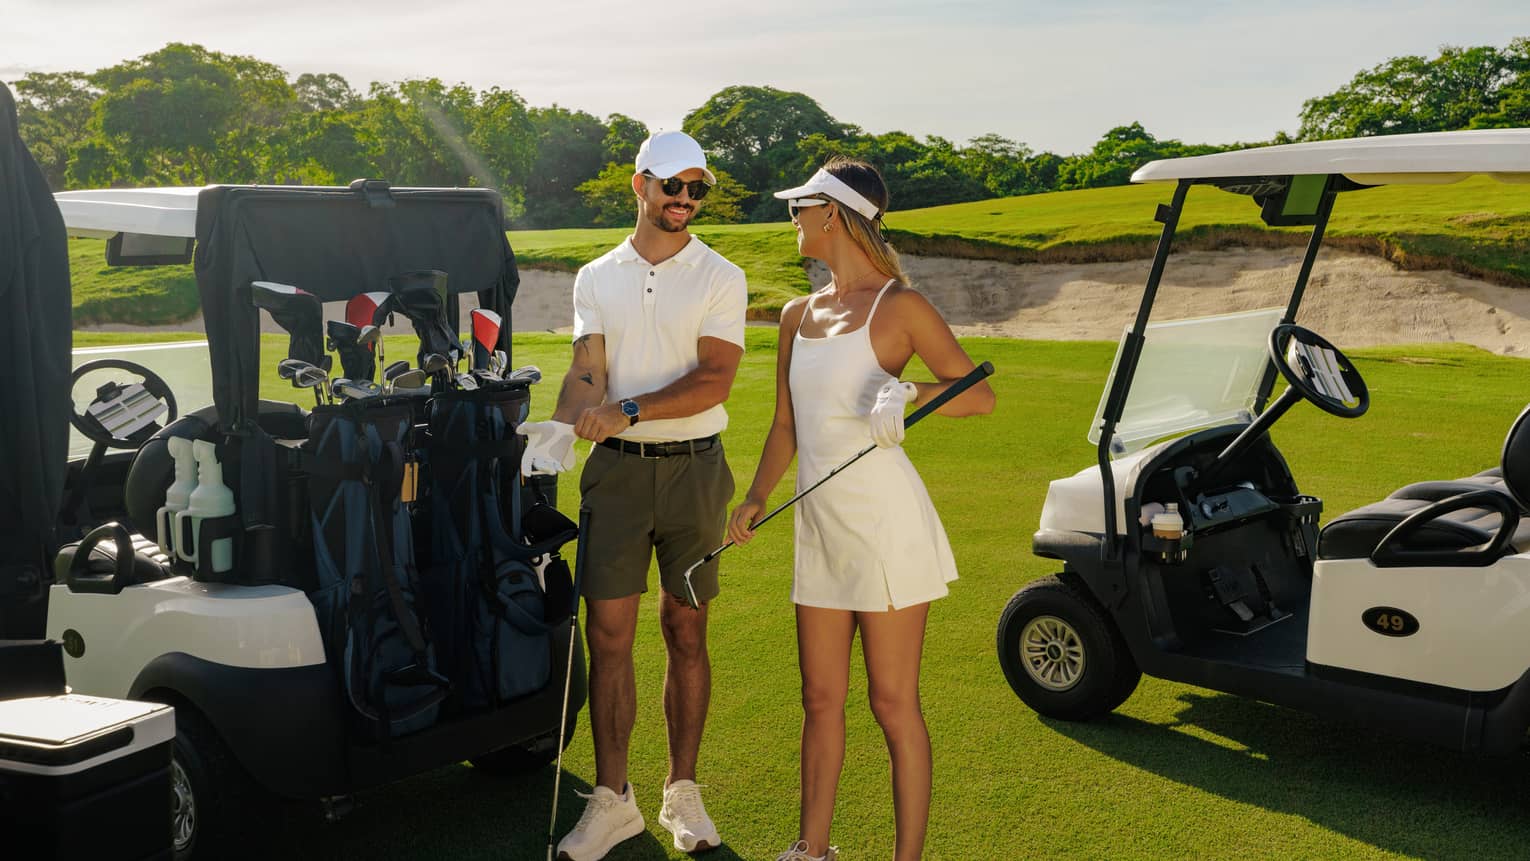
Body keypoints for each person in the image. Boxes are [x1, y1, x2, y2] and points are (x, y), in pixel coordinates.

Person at [727, 158, 994, 861]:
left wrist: (908, 395)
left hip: (886, 527)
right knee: (819, 698)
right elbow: (786, 423)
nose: (792, 216)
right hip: (820, 529)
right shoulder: (797, 314)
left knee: (891, 702)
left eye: (801, 206)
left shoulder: (900, 306)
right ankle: (812, 849)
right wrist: (756, 494)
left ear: (833, 214)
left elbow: (977, 394)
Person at [519, 130, 748, 861]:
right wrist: (559, 430)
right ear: (639, 184)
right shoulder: (596, 276)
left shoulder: (721, 275)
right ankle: (613, 800)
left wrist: (630, 409)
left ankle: (682, 789)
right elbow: (589, 371)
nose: (685, 199)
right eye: (672, 185)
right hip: (616, 475)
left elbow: (714, 380)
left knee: (686, 628)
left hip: (695, 472)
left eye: (697, 189)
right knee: (609, 634)